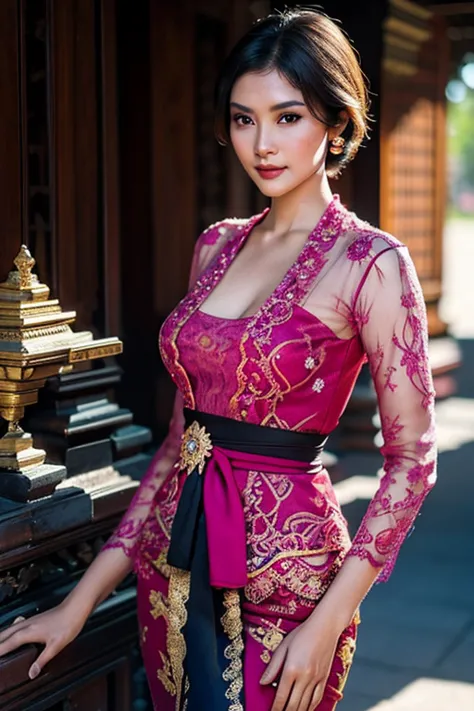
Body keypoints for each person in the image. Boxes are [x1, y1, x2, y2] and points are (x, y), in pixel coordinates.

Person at [0, 8, 437, 711]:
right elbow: (181, 445)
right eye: (242, 119)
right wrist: (77, 604)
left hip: (289, 589)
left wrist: (328, 621)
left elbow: (414, 460)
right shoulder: (217, 245)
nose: (262, 143)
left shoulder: (372, 264)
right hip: (173, 570)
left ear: (335, 119)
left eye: (287, 116)